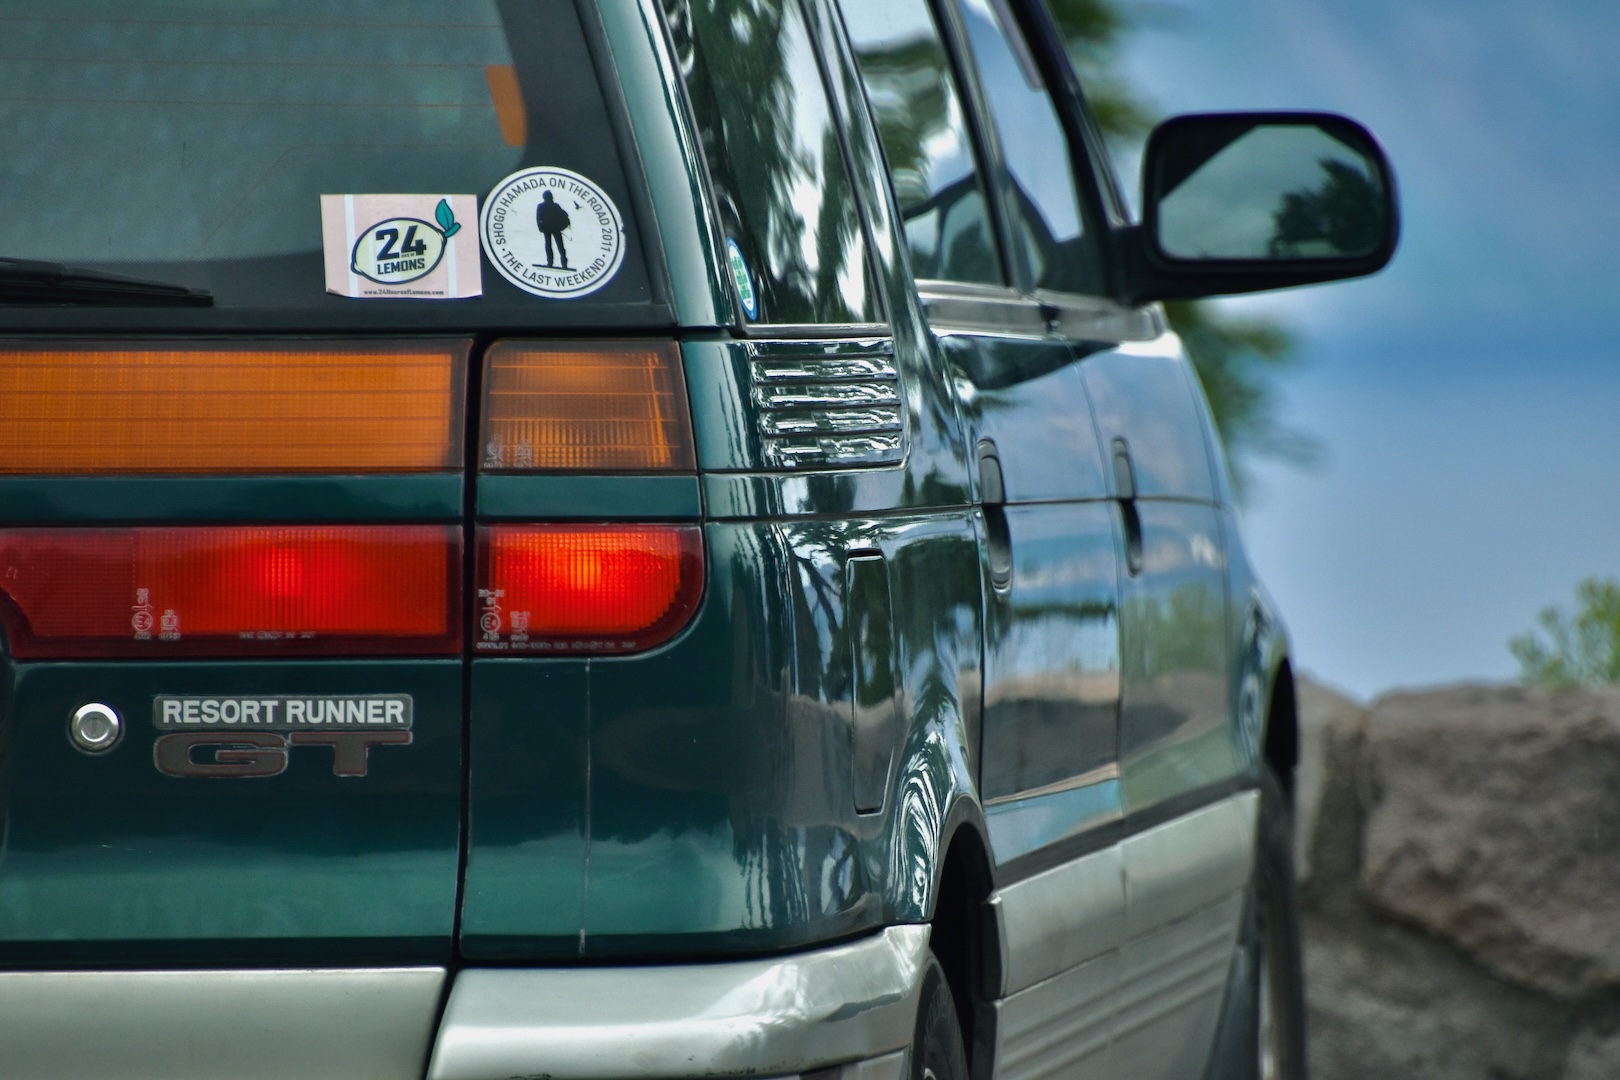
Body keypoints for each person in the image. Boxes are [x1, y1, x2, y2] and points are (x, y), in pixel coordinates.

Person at [536, 189, 571, 269]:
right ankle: (563, 264)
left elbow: (538, 218)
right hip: (555, 227)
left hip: (547, 227)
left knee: (550, 245)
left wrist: (540, 227)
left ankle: (550, 263)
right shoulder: (555, 206)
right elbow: (565, 214)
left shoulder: (541, 206)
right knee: (559, 245)